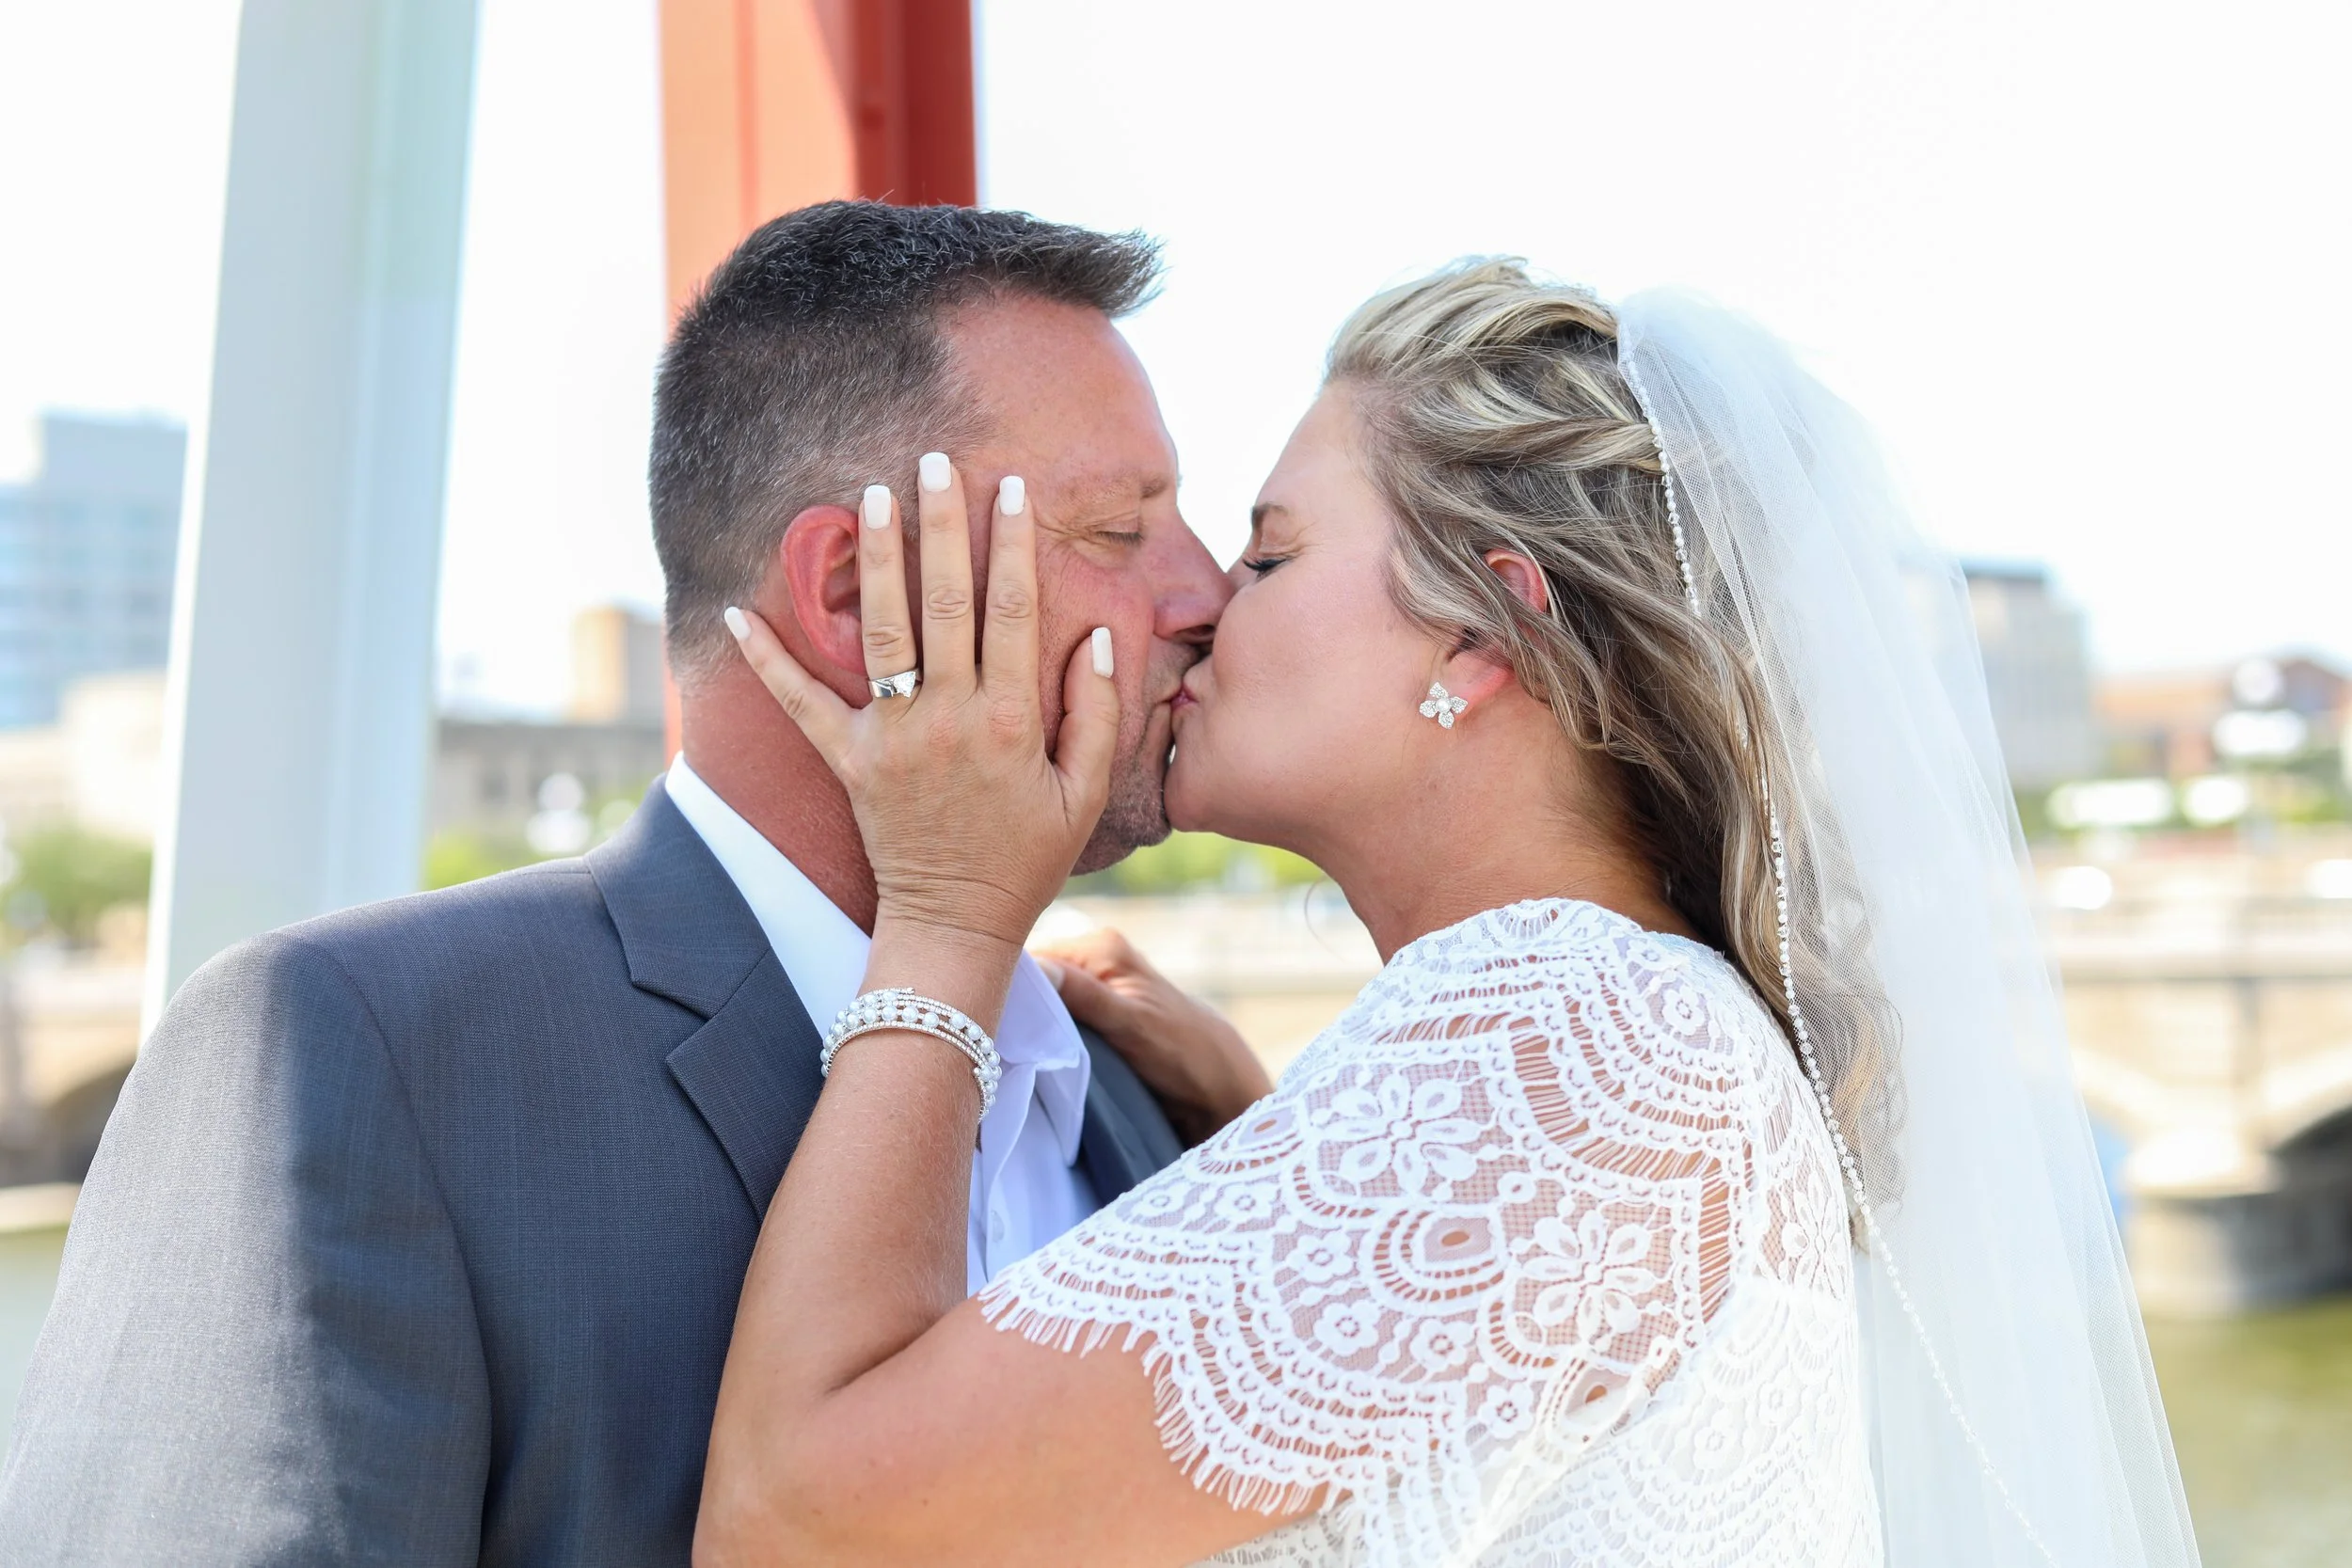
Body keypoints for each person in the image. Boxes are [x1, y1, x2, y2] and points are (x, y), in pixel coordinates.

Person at [694, 261, 2202, 1566]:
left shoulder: (1577, 1050)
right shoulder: (1618, 1035)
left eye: (1273, 550)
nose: (1210, 597)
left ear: (1482, 634)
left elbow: (795, 1523)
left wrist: (950, 922)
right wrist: (1263, 1135)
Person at [0, 203, 1236, 1565]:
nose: (1209, 593)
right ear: (848, 595)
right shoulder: (353, 1051)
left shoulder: (1145, 1103)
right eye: (1121, 531)